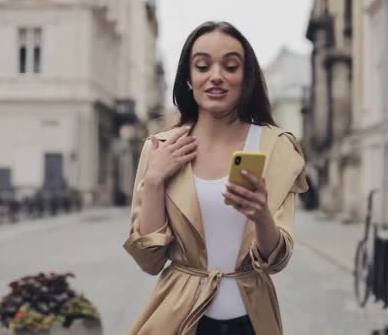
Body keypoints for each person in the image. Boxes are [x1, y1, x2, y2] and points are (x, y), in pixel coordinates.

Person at [123, 21, 308, 335]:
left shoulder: (278, 148)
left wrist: (261, 216)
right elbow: (149, 261)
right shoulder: (160, 148)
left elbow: (275, 261)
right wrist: (154, 180)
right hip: (178, 319)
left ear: (246, 78)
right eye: (203, 66)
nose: (216, 76)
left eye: (231, 66)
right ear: (189, 78)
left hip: (253, 321)